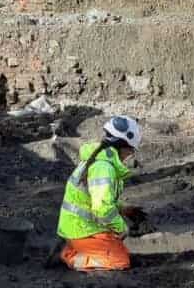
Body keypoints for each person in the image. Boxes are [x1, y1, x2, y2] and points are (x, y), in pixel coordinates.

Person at [56, 115, 144, 272]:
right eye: (130, 150)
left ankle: (75, 248)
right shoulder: (104, 168)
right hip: (82, 230)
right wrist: (122, 228)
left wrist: (122, 208)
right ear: (122, 146)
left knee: (121, 251)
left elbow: (98, 198)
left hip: (81, 227)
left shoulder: (100, 158)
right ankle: (70, 256)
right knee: (119, 262)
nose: (130, 154)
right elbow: (102, 209)